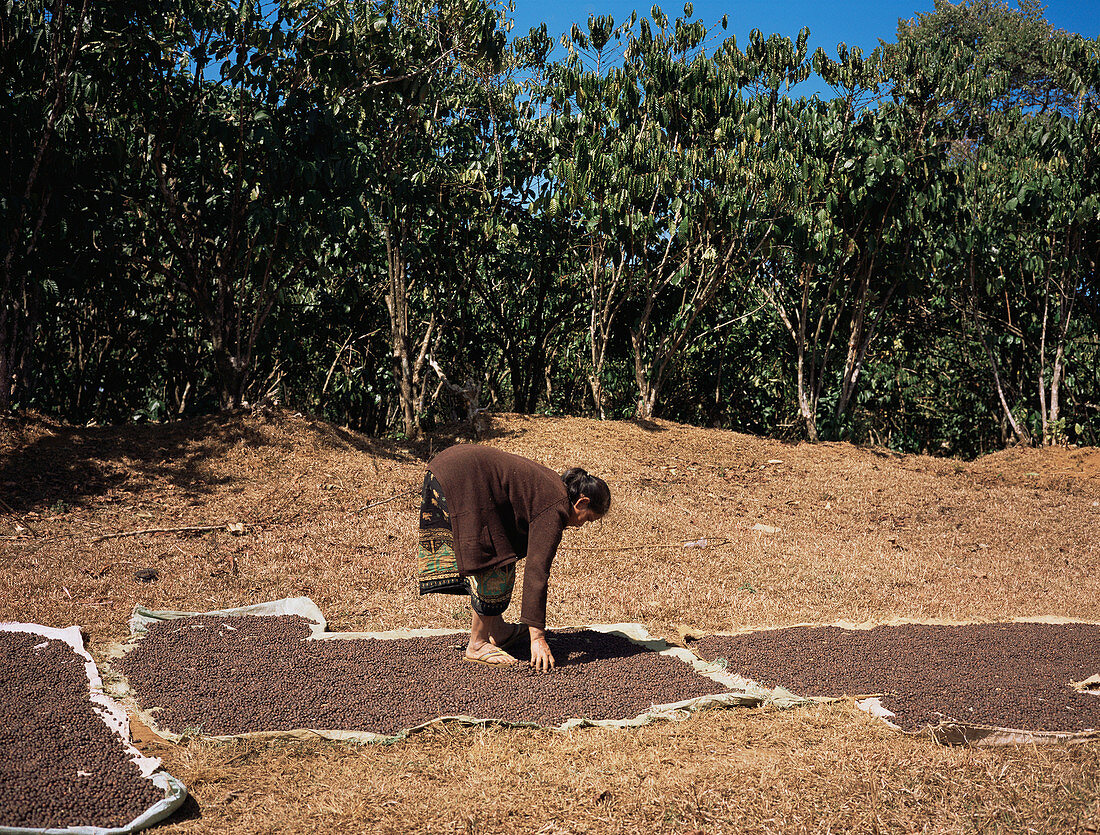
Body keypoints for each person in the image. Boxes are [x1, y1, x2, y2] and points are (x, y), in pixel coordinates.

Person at [416, 444, 610, 671]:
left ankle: (498, 631)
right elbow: (537, 571)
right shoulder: (555, 506)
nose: (580, 526)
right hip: (460, 478)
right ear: (582, 502)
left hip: (448, 468)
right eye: (587, 519)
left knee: (499, 549)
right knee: (496, 562)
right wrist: (537, 637)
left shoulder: (553, 488)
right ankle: (477, 644)